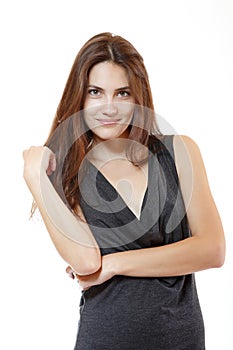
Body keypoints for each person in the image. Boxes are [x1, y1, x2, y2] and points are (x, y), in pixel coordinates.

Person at [23, 32, 225, 350]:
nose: (109, 107)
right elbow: (87, 263)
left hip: (180, 339)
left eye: (122, 93)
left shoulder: (180, 152)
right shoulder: (68, 173)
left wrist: (115, 264)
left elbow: (212, 249)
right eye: (95, 92)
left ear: (138, 96)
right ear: (80, 97)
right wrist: (35, 179)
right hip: (105, 339)